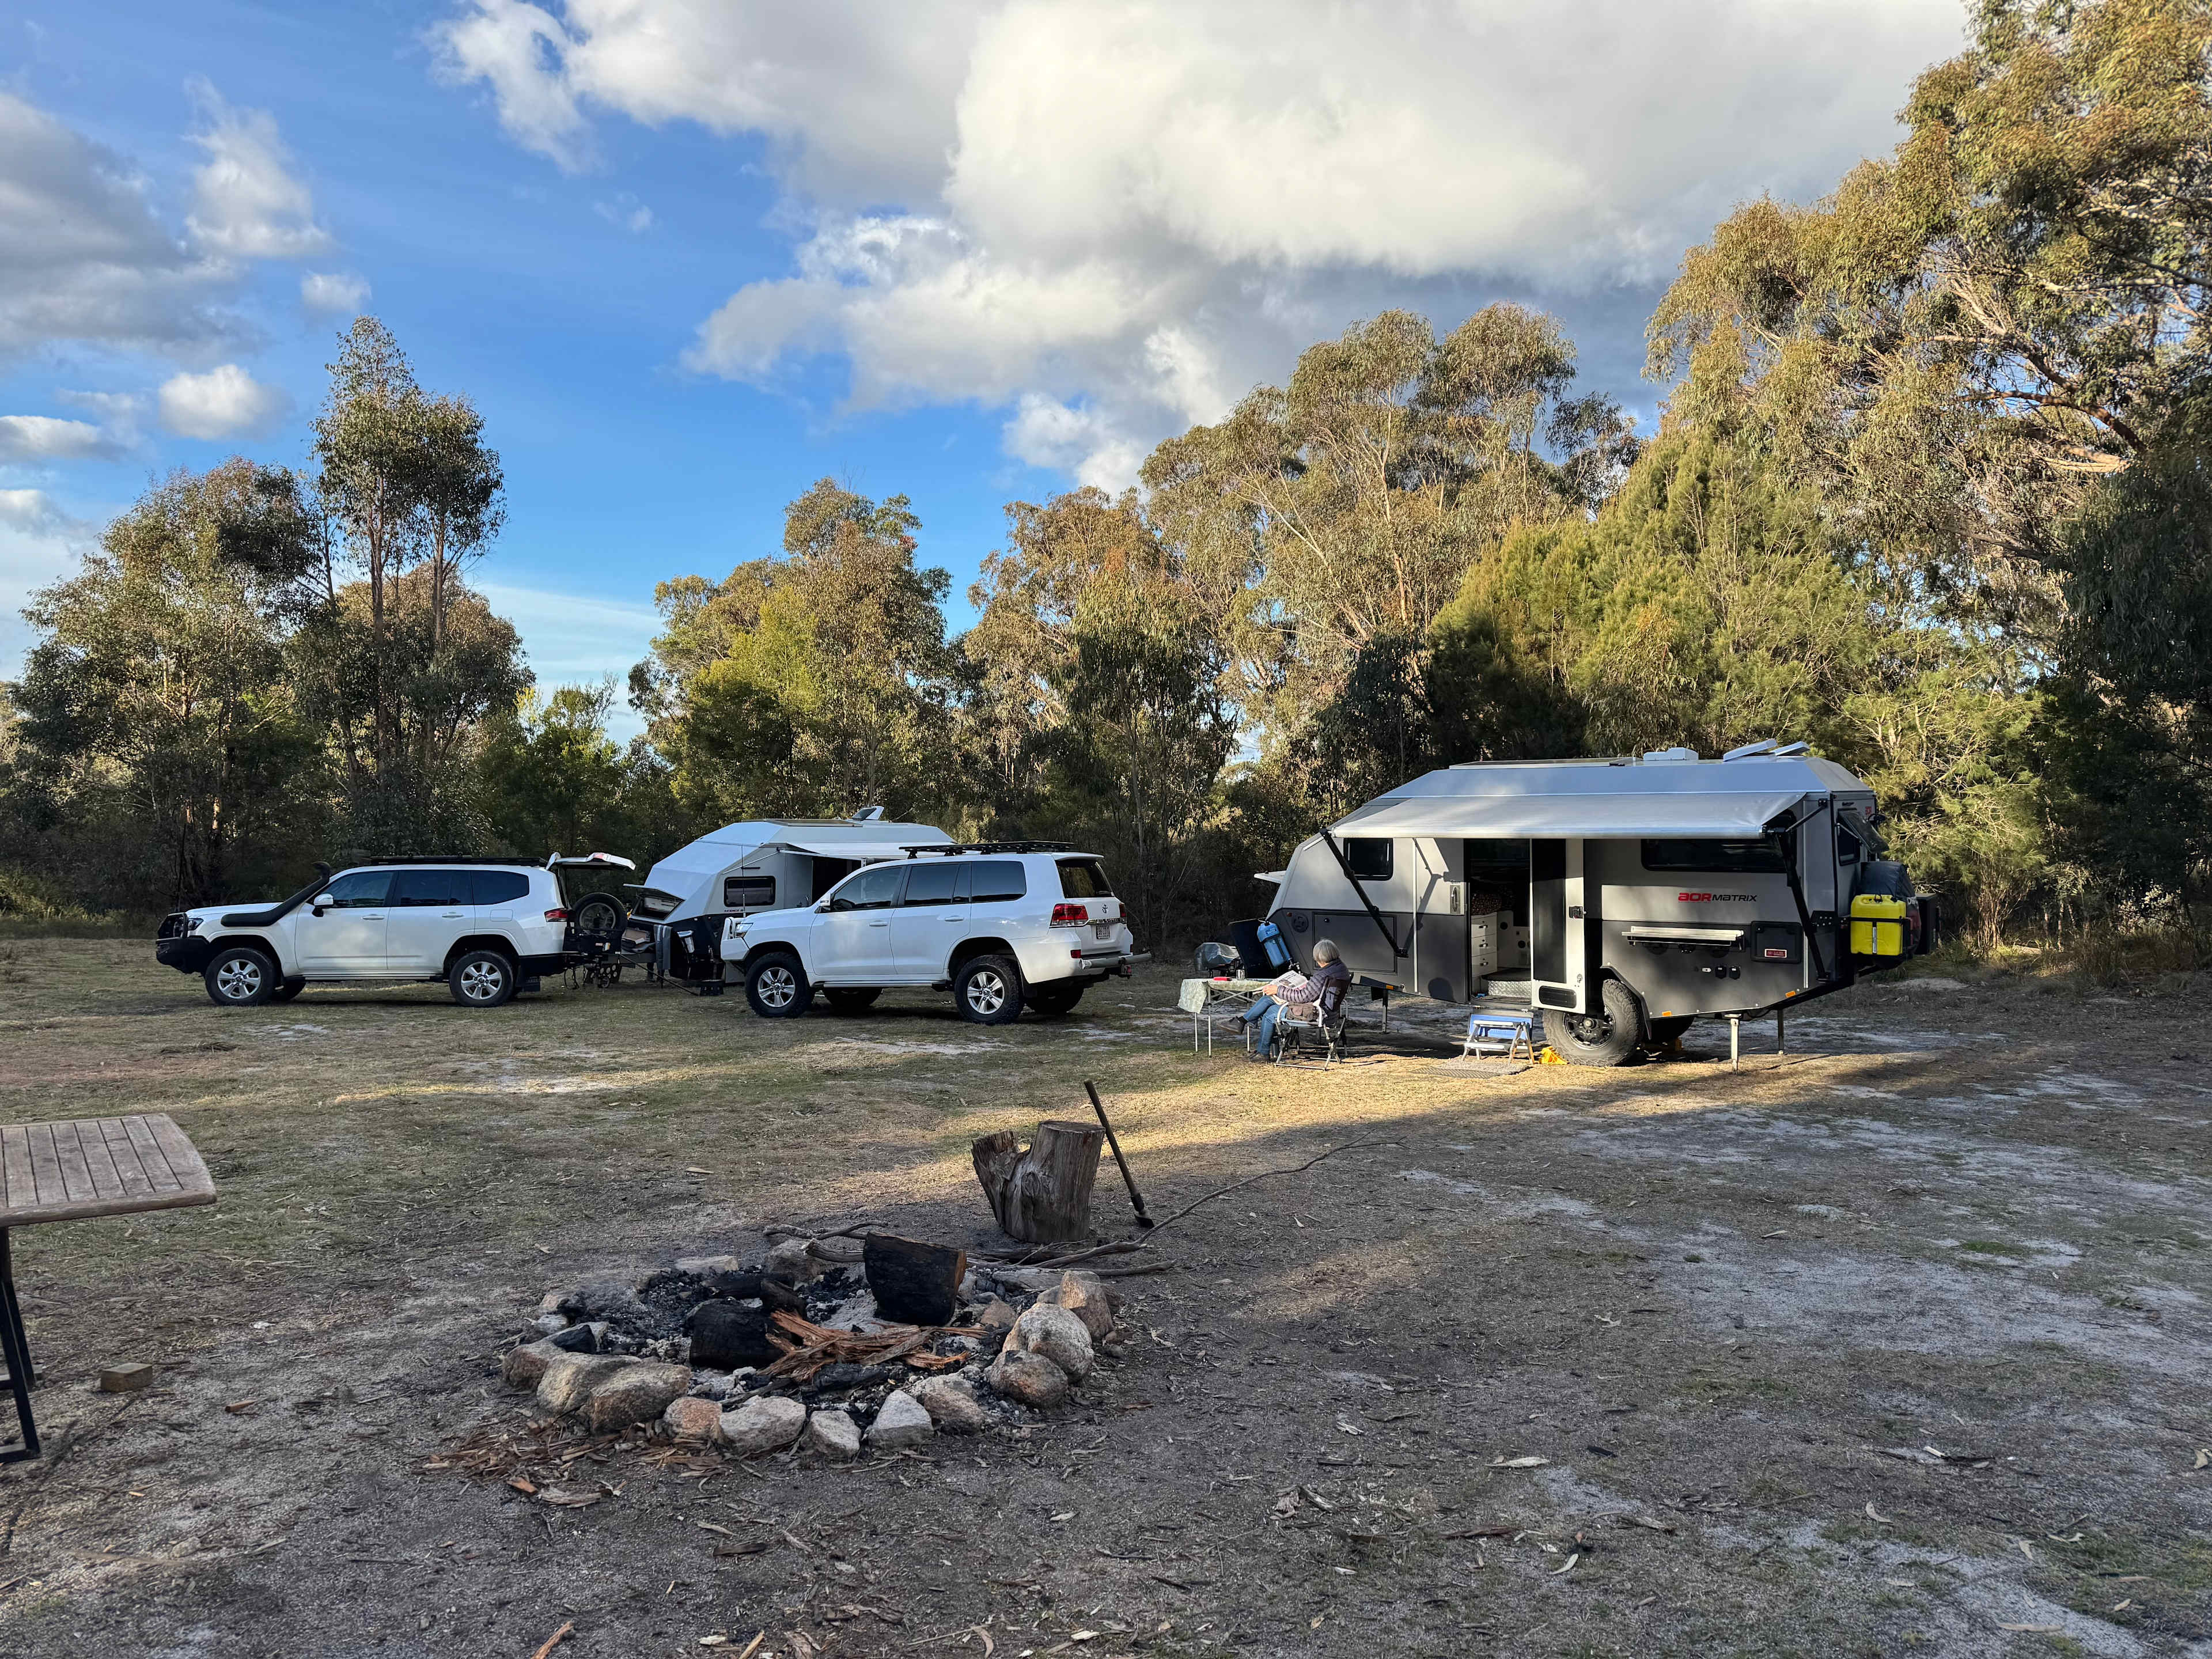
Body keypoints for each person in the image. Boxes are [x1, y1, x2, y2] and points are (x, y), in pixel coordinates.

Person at [1241, 938, 1351, 1061]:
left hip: (1315, 1014)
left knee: (1270, 1013)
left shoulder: (1323, 975)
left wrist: (1278, 990)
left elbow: (1301, 997)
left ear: (1320, 958)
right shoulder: (1342, 969)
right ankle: (1244, 1021)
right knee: (1269, 1000)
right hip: (1331, 1012)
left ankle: (1261, 1049)